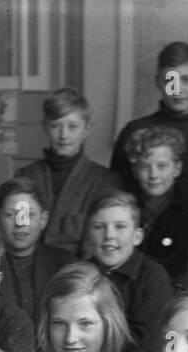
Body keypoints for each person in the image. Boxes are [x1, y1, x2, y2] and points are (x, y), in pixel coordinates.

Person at [109, 42, 188, 215]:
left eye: (187, 80)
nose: (177, 90)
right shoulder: (133, 132)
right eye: (170, 80)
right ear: (158, 82)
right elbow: (116, 197)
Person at [17, 87, 119, 254]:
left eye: (73, 127)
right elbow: (20, 233)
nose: (63, 135)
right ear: (45, 127)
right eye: (55, 126)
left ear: (86, 129)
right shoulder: (25, 177)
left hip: (77, 273)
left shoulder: (105, 181)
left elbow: (98, 246)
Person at [81, 190, 173, 352]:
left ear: (137, 236)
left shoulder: (153, 277)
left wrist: (89, 348)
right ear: (88, 234)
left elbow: (143, 347)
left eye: (120, 227)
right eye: (99, 227)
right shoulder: (79, 274)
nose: (109, 235)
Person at [125, 125, 188, 285]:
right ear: (135, 170)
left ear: (177, 168)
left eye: (162, 166)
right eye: (145, 166)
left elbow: (180, 267)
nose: (153, 175)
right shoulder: (124, 207)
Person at [0, 177, 71, 326]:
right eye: (11, 215)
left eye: (29, 215)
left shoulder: (64, 264)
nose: (20, 224)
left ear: (43, 219)